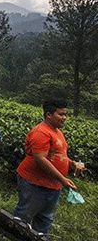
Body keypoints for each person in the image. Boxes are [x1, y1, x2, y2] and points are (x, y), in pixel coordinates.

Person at [13, 99, 86, 237]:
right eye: (61, 114)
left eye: (66, 114)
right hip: (34, 182)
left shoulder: (57, 132)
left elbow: (59, 155)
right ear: (49, 115)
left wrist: (72, 163)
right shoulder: (41, 132)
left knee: (45, 218)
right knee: (25, 215)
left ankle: (40, 236)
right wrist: (62, 179)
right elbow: (40, 159)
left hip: (52, 184)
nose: (64, 118)